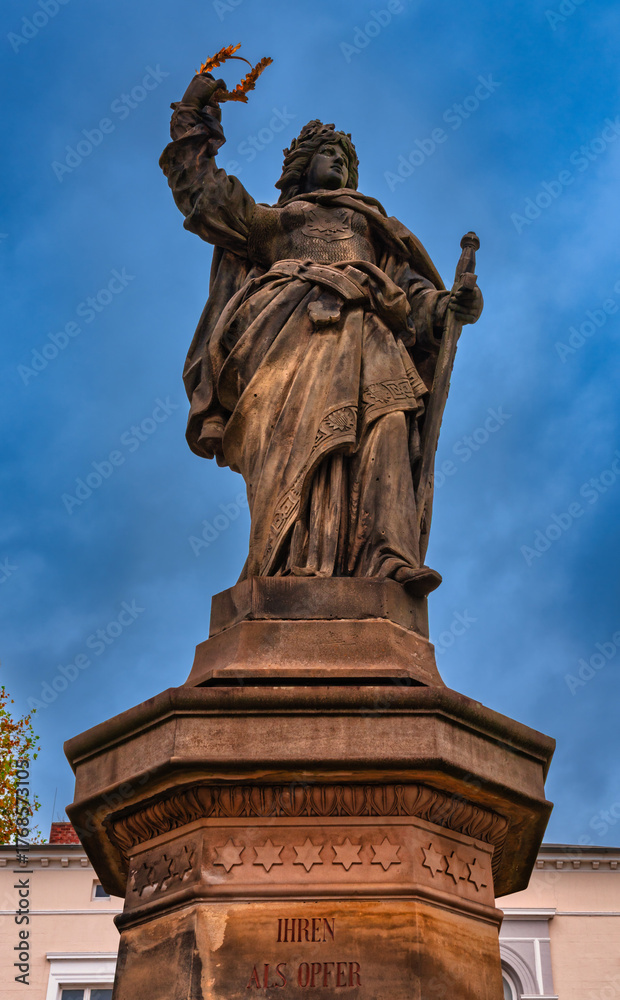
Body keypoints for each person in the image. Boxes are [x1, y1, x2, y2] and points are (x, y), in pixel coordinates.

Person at [160, 73, 482, 594]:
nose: (340, 162)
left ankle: (388, 558)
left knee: (390, 423)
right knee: (293, 449)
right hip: (289, 337)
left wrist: (450, 306)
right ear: (302, 165)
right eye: (329, 153)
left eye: (346, 158)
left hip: (369, 332)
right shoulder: (278, 221)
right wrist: (193, 115)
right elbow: (206, 198)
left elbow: (416, 297)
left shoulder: (377, 230)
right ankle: (285, 565)